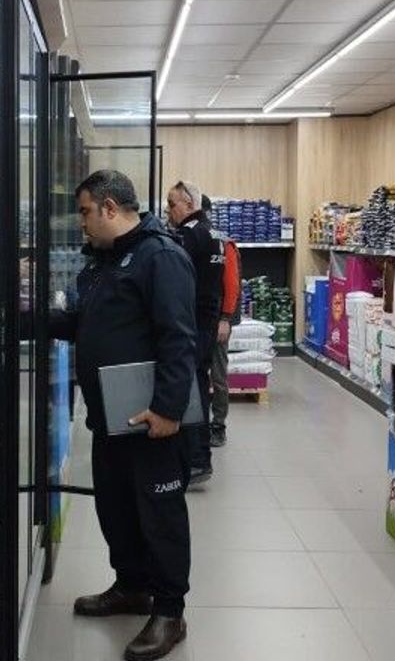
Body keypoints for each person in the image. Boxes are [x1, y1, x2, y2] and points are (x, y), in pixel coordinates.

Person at [50, 169, 195, 661]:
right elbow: (84, 322)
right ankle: (131, 586)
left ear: (110, 208)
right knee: (116, 508)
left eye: (85, 212)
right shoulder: (105, 261)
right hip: (110, 417)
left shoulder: (160, 257)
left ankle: (170, 611)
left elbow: (179, 337)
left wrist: (168, 410)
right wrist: (29, 317)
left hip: (152, 420)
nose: (82, 223)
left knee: (160, 515)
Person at [164, 180, 224, 485]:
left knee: (190, 390)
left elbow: (173, 276)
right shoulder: (213, 233)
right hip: (208, 322)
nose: (168, 210)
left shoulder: (189, 234)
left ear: (189, 204)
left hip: (191, 324)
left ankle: (197, 459)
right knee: (199, 384)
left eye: (171, 204)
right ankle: (199, 458)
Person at [201, 195, 242, 448]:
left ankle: (218, 426)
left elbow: (231, 284)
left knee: (217, 374)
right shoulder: (193, 239)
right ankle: (198, 422)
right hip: (200, 318)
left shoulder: (223, 243)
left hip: (218, 319)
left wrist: (225, 318)